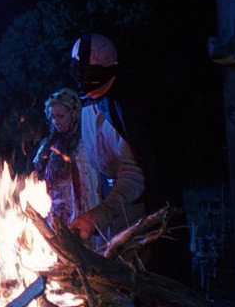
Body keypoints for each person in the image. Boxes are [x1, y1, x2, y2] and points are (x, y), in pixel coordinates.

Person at [66, 33, 154, 243]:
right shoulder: (88, 102)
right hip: (105, 200)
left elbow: (134, 172)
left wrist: (102, 212)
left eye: (92, 77)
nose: (87, 87)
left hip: (135, 205)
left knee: (129, 257)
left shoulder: (128, 109)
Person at [33, 88, 100, 225]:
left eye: (61, 116)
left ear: (73, 115)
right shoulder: (48, 145)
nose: (56, 121)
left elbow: (88, 181)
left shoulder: (84, 144)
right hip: (55, 207)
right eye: (53, 117)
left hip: (78, 208)